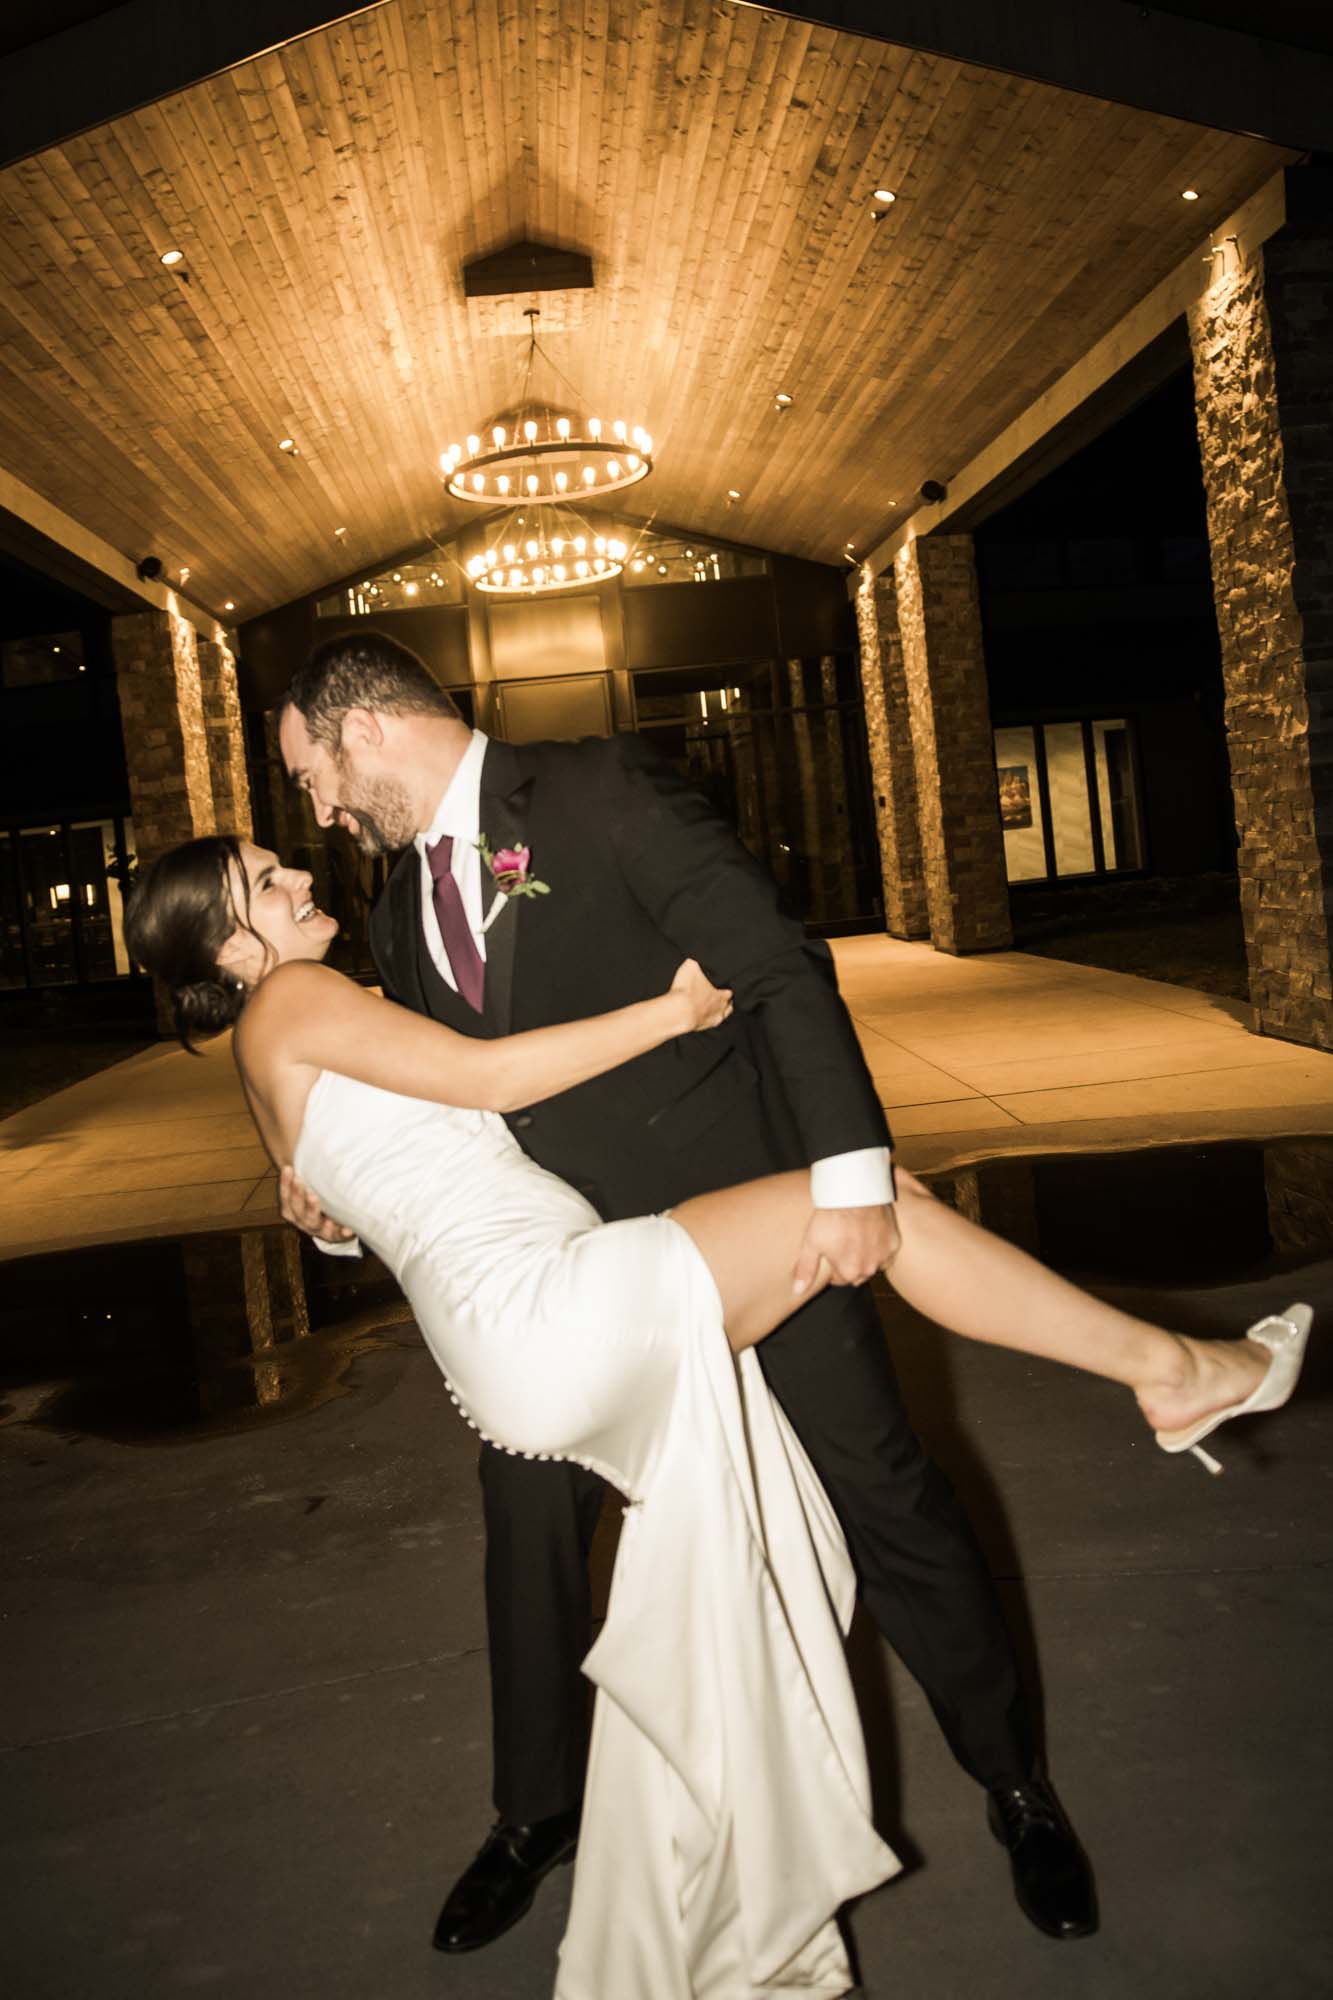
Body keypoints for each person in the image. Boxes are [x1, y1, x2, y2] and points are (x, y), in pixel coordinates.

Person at [123, 828, 1309, 1997]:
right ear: (228, 944)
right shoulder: (299, 996)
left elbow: (343, 1187)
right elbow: (487, 1080)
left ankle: (1007, 1750)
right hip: (554, 1309)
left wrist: (320, 1212)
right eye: (265, 880)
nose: (300, 870)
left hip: (524, 1344)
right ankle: (1170, 1372)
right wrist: (676, 1008)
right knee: (865, 1200)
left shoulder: (277, 1044)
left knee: (867, 1239)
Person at [273, 636, 1103, 1951]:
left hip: (747, 1237)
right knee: (527, 1530)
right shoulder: (388, 918)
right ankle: (533, 1812)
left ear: (363, 729)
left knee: (881, 1488)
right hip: (569, 1292)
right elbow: (432, 1128)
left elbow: (777, 969)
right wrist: (327, 1211)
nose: (314, 806)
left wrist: (845, 1181)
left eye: (311, 772)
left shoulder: (600, 791)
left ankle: (1016, 1784)